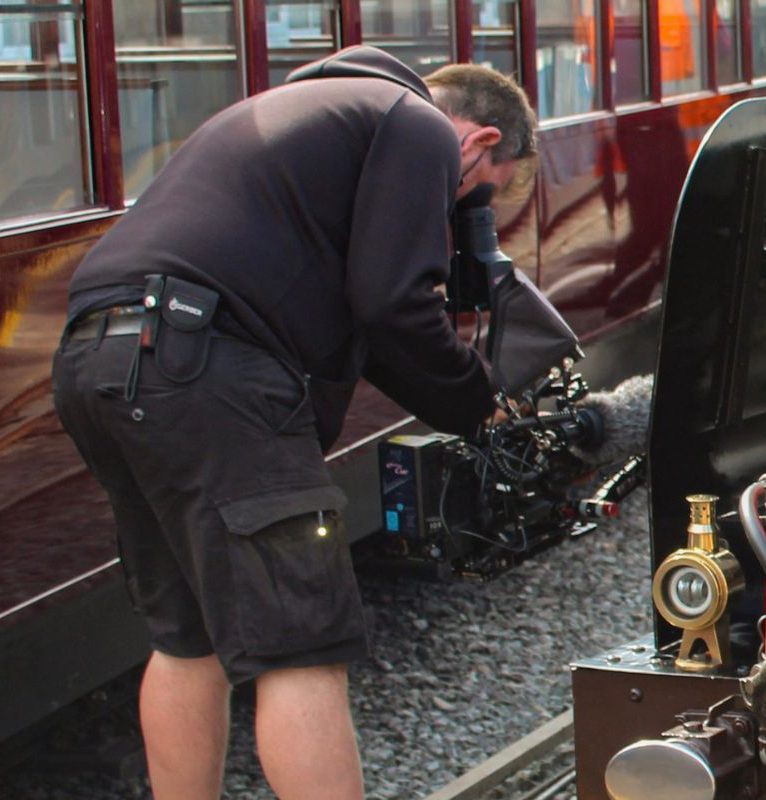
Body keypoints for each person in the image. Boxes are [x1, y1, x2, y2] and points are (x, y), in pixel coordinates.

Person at [50, 47, 533, 796]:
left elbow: (363, 323)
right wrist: (478, 401)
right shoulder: (420, 129)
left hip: (98, 359)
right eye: (475, 198)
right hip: (203, 365)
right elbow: (394, 304)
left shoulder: (301, 113)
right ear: (479, 143)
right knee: (303, 646)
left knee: (188, 640)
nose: (457, 209)